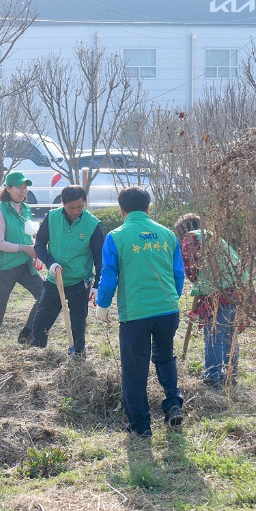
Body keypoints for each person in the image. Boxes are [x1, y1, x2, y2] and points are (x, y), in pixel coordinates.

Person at [96, 186, 185, 437]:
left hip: (135, 314)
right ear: (149, 207)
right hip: (168, 310)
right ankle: (173, 404)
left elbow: (109, 276)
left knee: (134, 370)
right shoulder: (168, 235)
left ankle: (141, 425)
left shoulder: (116, 236)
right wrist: (171, 299)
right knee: (165, 357)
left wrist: (102, 306)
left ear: (122, 209)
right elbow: (179, 274)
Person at [173, 213, 248, 389]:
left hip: (217, 293)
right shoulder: (214, 237)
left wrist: (196, 283)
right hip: (236, 289)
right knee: (229, 334)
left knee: (214, 335)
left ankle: (214, 377)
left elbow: (191, 269)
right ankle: (230, 375)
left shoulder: (191, 238)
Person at [30, 185, 104, 355]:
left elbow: (99, 257)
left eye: (80, 206)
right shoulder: (52, 217)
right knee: (40, 323)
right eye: (71, 208)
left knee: (78, 325)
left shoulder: (92, 224)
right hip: (54, 280)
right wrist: (51, 263)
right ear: (62, 203)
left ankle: (77, 360)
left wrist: (97, 285)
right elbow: (40, 245)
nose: (76, 211)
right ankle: (37, 356)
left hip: (80, 282)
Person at [0, 171, 44, 349]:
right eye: (19, 187)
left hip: (25, 264)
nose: (23, 191)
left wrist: (35, 250)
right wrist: (24, 248)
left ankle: (26, 334)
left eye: (25, 187)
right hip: (5, 267)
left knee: (45, 296)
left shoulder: (26, 209)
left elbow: (27, 235)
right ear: (8, 188)